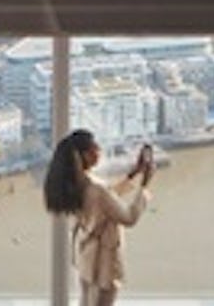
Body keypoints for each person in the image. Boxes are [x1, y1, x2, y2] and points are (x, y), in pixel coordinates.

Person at [43, 129, 154, 306]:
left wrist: (133, 175)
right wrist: (145, 187)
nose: (100, 151)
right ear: (84, 156)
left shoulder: (79, 184)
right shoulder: (95, 188)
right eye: (95, 148)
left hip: (87, 257)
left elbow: (106, 200)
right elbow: (129, 218)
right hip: (105, 260)